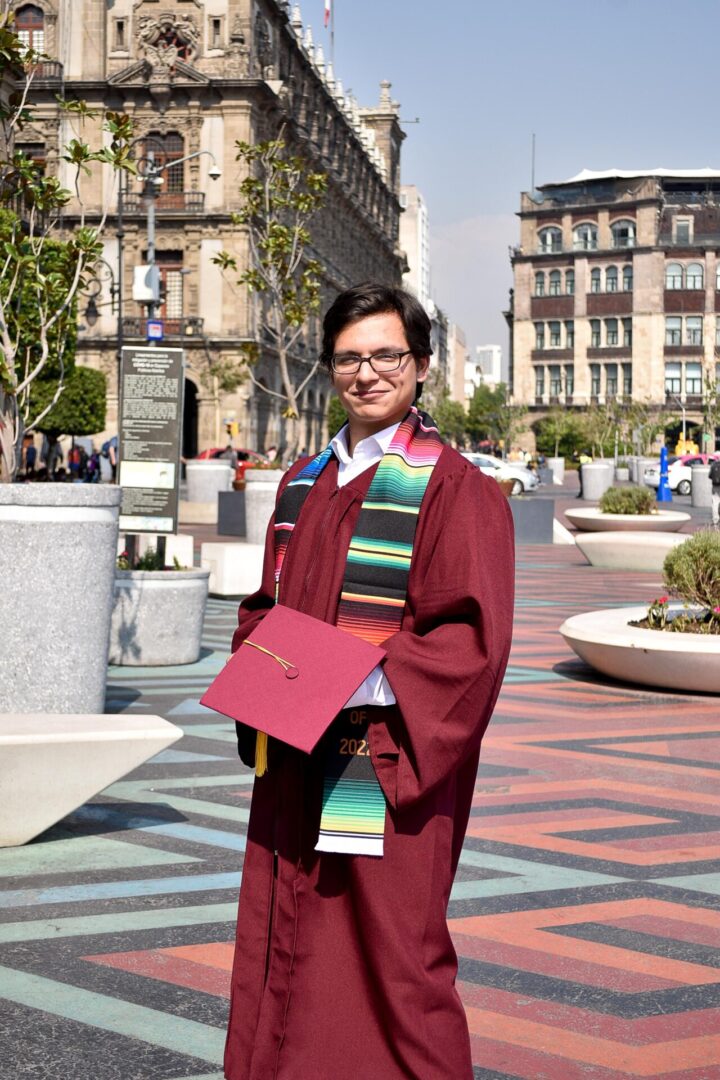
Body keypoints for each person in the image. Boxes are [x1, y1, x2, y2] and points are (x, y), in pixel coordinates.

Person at [223, 283, 515, 1080]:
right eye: (350, 358)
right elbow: (262, 608)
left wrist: (348, 684)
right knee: (288, 939)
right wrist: (265, 671)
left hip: (378, 765)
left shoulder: (456, 490)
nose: (368, 373)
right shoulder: (301, 483)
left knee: (394, 961)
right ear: (329, 369)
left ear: (421, 366)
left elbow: (468, 642)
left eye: (388, 355)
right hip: (290, 757)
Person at [710, 455, 720, 526]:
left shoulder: (713, 465)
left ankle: (715, 520)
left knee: (715, 503)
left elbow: (710, 476)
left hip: (715, 486)